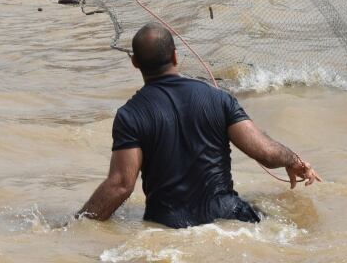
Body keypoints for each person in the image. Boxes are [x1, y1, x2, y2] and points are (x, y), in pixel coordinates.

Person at [77, 22, 322, 228]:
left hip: (167, 226)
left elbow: (120, 185)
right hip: (229, 217)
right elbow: (266, 153)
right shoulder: (219, 98)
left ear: (135, 63)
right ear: (175, 56)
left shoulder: (130, 115)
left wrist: (75, 226)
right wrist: (294, 160)